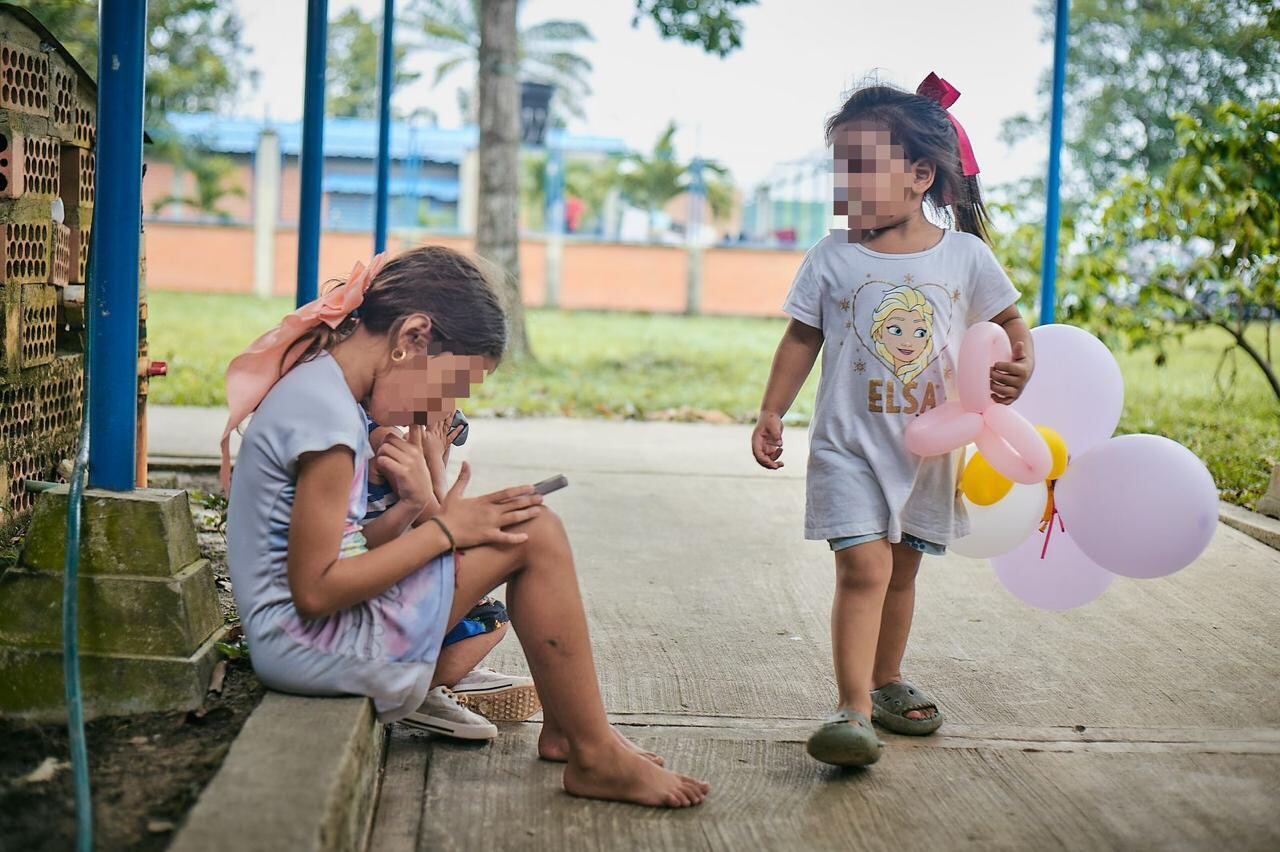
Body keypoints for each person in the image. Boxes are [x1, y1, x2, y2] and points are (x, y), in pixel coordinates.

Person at [222, 245, 709, 807]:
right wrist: (446, 532)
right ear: (413, 337)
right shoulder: (328, 422)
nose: (445, 409)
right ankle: (593, 752)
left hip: (308, 638)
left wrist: (429, 517)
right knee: (536, 534)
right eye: (451, 388)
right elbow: (316, 591)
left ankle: (571, 732)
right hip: (315, 646)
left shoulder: (325, 396)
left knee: (525, 522)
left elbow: (348, 547)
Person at [750, 74, 1034, 767]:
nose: (842, 190)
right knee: (862, 567)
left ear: (919, 175)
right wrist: (771, 410)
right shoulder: (832, 257)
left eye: (858, 171)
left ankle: (884, 679)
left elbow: (1009, 325)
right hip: (849, 447)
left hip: (928, 455)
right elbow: (801, 339)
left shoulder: (965, 256)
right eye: (837, 172)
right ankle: (849, 707)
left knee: (902, 573)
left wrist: (1020, 366)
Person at [364, 418, 539, 740]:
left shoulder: (394, 437)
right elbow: (447, 525)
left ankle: (443, 681)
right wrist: (433, 458)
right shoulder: (391, 444)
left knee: (486, 616)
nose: (454, 410)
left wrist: (437, 454)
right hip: (375, 601)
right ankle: (426, 688)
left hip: (387, 593)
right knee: (490, 610)